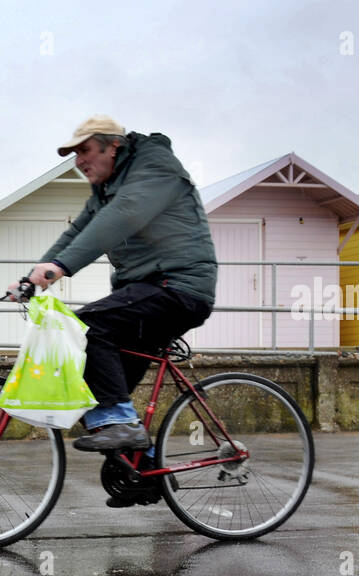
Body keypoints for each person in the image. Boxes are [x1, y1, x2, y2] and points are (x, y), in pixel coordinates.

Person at [25, 115, 217, 452]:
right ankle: (144, 475)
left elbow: (124, 215)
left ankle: (124, 425)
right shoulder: (104, 190)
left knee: (90, 326)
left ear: (113, 145)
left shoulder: (155, 165)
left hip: (180, 287)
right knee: (95, 393)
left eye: (85, 150)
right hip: (145, 292)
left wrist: (61, 267)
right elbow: (78, 232)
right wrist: (32, 278)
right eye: (75, 154)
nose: (79, 161)